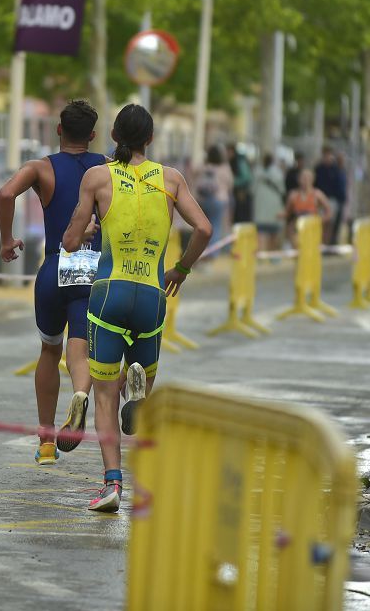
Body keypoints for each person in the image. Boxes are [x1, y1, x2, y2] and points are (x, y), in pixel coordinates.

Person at [63, 104, 212, 513]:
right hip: (151, 295)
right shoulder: (172, 179)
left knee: (105, 397)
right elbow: (204, 228)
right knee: (141, 395)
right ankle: (141, 389)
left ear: (113, 135)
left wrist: (87, 227)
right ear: (150, 138)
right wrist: (181, 269)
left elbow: (72, 241)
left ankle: (112, 485)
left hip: (108, 294)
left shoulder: (97, 177)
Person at [0, 99, 107, 465]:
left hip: (54, 268)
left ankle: (46, 442)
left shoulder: (40, 169)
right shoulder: (108, 169)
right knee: (83, 348)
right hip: (92, 271)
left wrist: (6, 240)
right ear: (92, 135)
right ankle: (80, 394)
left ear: (59, 129)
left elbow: (5, 193)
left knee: (49, 350)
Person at [196, 145, 234, 254]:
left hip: (202, 200)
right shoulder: (225, 169)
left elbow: (194, 176)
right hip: (219, 201)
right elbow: (230, 184)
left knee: (202, 228)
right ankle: (211, 255)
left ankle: (198, 254)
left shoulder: (203, 167)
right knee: (215, 227)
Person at [282, 169, 331, 247]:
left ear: (313, 179)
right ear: (299, 179)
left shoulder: (317, 194)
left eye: (308, 177)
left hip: (312, 231)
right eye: (303, 177)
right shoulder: (293, 195)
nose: (306, 180)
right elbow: (287, 214)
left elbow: (329, 212)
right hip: (297, 232)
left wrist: (320, 220)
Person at [253, 154, 284, 252]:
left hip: (265, 206)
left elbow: (252, 189)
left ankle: (265, 253)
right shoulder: (277, 172)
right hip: (269, 205)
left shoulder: (257, 172)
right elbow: (282, 190)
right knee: (267, 232)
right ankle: (268, 253)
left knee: (266, 232)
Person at [314, 147, 346, 244]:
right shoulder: (318, 169)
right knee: (321, 222)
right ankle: (321, 242)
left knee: (330, 222)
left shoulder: (335, 169)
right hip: (320, 199)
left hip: (332, 200)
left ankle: (328, 243)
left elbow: (339, 186)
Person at [228, 142, 253, 223]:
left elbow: (246, 178)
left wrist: (233, 182)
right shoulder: (234, 161)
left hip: (241, 194)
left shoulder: (239, 161)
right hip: (237, 194)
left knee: (240, 218)